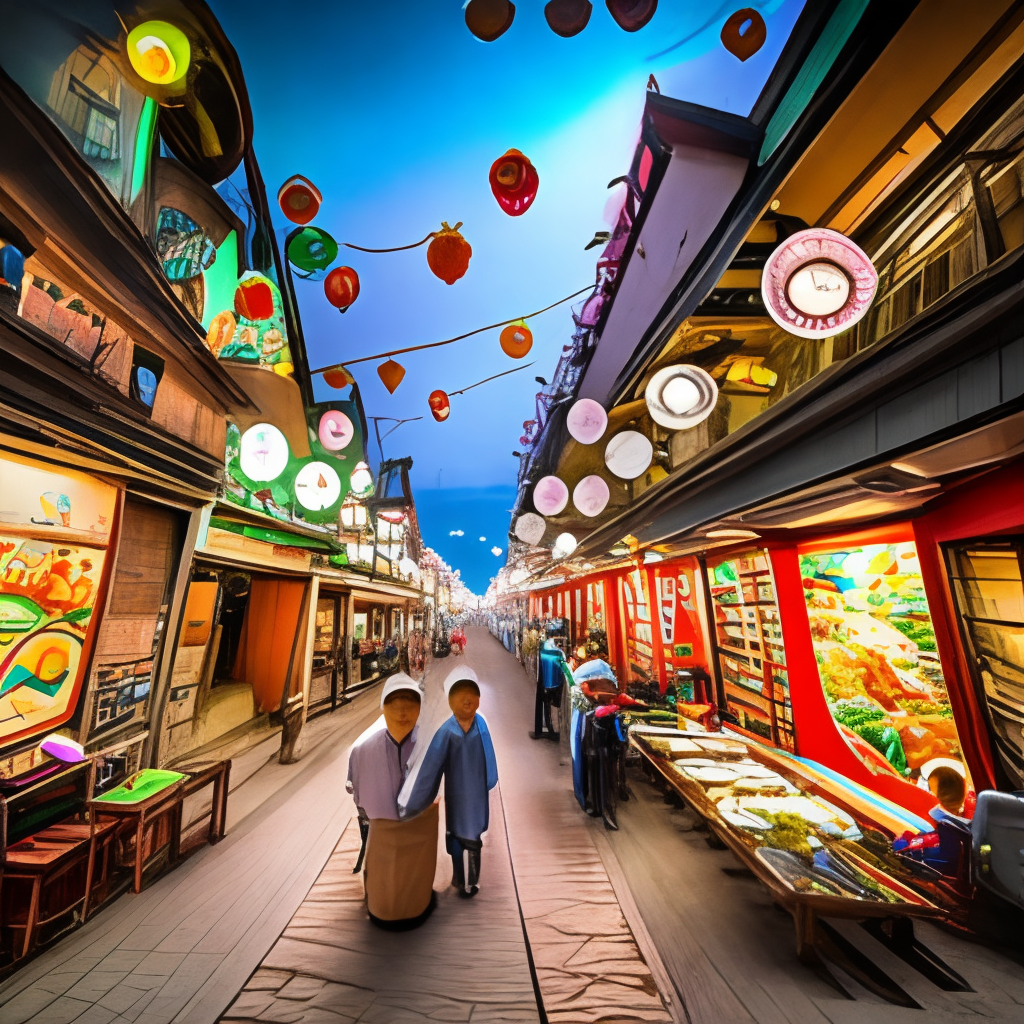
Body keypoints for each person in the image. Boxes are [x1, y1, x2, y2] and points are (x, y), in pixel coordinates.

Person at [346, 673, 438, 928]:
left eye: (410, 704)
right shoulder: (362, 751)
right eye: (394, 705)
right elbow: (360, 797)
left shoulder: (432, 747)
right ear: (383, 709)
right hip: (382, 837)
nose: (402, 712)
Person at [399, 666, 497, 898]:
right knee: (455, 837)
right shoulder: (446, 732)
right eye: (460, 694)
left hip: (475, 797)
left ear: (478, 699)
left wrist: (489, 780)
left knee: (473, 839)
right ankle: (458, 877)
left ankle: (472, 881)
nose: (467, 699)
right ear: (451, 701)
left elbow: (490, 763)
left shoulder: (481, 726)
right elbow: (430, 769)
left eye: (471, 694)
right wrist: (415, 801)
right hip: (455, 796)